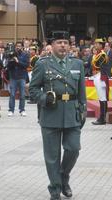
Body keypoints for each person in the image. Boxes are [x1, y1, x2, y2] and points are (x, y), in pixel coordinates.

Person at [29, 31, 86, 200]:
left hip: (72, 113)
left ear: (69, 46)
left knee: (73, 149)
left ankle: (63, 177)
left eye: (65, 42)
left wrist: (82, 110)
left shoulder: (77, 64)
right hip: (51, 114)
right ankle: (55, 189)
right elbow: (32, 90)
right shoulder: (42, 64)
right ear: (52, 45)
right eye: (59, 42)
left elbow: (81, 90)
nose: (63, 45)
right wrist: (44, 98)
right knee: (52, 156)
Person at [6, 42, 30, 117]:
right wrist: (12, 61)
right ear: (15, 47)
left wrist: (17, 61)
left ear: (22, 47)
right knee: (12, 95)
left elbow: (26, 65)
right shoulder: (11, 54)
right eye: (17, 46)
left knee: (22, 95)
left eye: (19, 46)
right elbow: (8, 66)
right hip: (13, 77)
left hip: (22, 77)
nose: (18, 47)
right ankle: (11, 110)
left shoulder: (25, 55)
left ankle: (22, 110)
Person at [91, 38, 109, 125]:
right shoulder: (97, 54)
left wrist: (103, 79)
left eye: (97, 44)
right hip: (96, 76)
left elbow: (103, 67)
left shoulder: (102, 54)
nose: (95, 45)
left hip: (100, 76)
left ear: (101, 45)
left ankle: (102, 118)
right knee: (100, 98)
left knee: (102, 98)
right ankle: (102, 117)